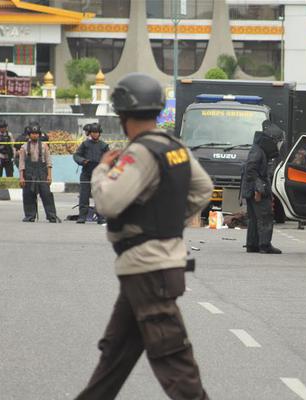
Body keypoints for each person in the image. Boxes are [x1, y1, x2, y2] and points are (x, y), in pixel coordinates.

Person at [75, 72, 212, 400]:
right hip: (156, 265)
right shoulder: (173, 146)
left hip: (147, 268)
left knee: (173, 359)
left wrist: (102, 170)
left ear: (122, 116)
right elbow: (203, 188)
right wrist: (165, 221)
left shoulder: (138, 153)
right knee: (115, 354)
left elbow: (108, 202)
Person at [241, 120, 284, 254]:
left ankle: (252, 245)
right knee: (265, 216)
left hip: (251, 188)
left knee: (254, 218)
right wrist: (259, 189)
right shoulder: (258, 151)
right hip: (256, 189)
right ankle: (264, 245)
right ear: (270, 141)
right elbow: (250, 170)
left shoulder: (258, 149)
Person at [18, 125, 60, 223]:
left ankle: (52, 216)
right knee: (28, 195)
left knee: (47, 194)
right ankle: (30, 216)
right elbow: (21, 163)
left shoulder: (44, 146)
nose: (35, 135)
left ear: (39, 135)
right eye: (33, 133)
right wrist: (21, 177)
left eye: (36, 134)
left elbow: (49, 162)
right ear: (29, 135)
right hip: (29, 173)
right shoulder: (24, 147)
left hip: (42, 172)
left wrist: (49, 176)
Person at [73, 122, 109, 224]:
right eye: (93, 132)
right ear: (89, 133)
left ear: (99, 133)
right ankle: (82, 216)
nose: (95, 134)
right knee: (84, 195)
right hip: (86, 173)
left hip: (99, 174)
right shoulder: (85, 144)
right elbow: (76, 155)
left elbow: (109, 158)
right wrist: (83, 161)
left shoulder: (104, 145)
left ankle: (101, 217)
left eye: (96, 132)